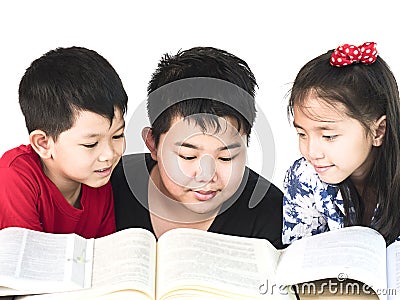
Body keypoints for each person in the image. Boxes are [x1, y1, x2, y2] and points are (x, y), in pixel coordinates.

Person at [111, 46, 284, 249]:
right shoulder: (109, 185)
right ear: (153, 144)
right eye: (188, 156)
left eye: (226, 157)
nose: (206, 175)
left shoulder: (270, 213)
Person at [0, 46, 128, 238]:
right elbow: (27, 262)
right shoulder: (14, 178)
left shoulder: (99, 181)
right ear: (43, 144)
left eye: (117, 136)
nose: (109, 154)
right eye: (91, 144)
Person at [282, 42, 400, 246]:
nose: (311, 152)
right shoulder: (304, 177)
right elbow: (298, 260)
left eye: (328, 136)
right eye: (302, 134)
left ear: (378, 130)